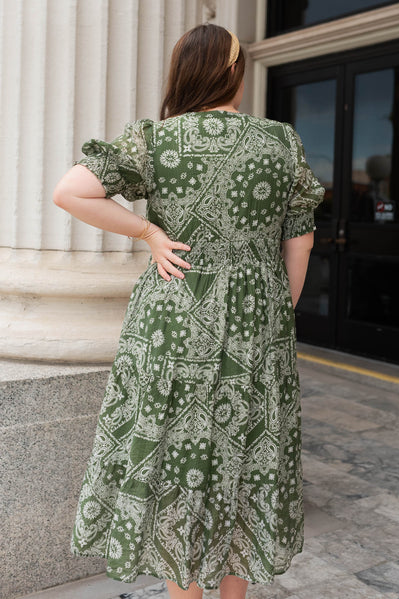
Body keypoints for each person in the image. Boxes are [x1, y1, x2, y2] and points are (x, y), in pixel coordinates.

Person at [53, 23, 325, 599]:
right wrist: (278, 308)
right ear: (235, 75)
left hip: (174, 318)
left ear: (181, 74)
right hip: (258, 321)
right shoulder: (279, 142)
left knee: (179, 454)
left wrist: (149, 232)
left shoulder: (154, 141)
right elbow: (297, 242)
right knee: (246, 458)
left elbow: (70, 191)